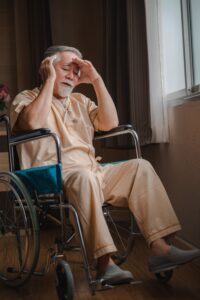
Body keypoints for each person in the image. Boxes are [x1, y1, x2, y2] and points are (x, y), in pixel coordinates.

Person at [10, 45, 200, 284]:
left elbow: (110, 122)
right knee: (83, 177)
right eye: (66, 68)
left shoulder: (80, 100)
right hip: (53, 175)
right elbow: (32, 122)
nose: (72, 75)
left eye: (77, 72)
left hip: (92, 170)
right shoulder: (26, 98)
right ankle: (104, 264)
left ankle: (160, 249)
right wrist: (49, 80)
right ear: (47, 68)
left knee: (140, 167)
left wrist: (96, 80)